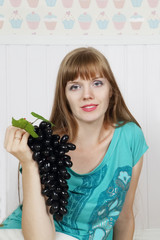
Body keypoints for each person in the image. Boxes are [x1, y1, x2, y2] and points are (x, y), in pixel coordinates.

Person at [2, 47, 149, 240]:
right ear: (65, 96)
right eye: (75, 86)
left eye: (97, 83)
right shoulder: (47, 145)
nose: (87, 95)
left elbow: (124, 215)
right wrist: (29, 164)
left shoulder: (130, 137)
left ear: (111, 90)